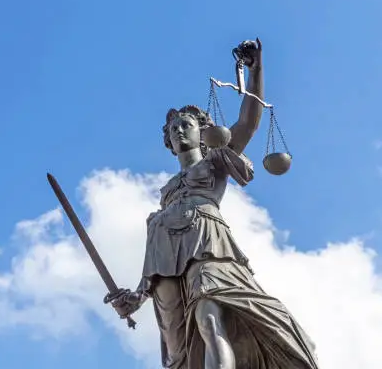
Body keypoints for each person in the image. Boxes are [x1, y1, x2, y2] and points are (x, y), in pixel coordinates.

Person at [109, 39, 320, 369]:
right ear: (168, 140)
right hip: (165, 259)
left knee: (210, 314)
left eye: (186, 126)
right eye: (173, 128)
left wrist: (256, 70)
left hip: (208, 244)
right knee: (179, 354)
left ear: (202, 132)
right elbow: (154, 251)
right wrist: (137, 296)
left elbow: (249, 122)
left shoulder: (216, 160)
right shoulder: (167, 192)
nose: (179, 131)